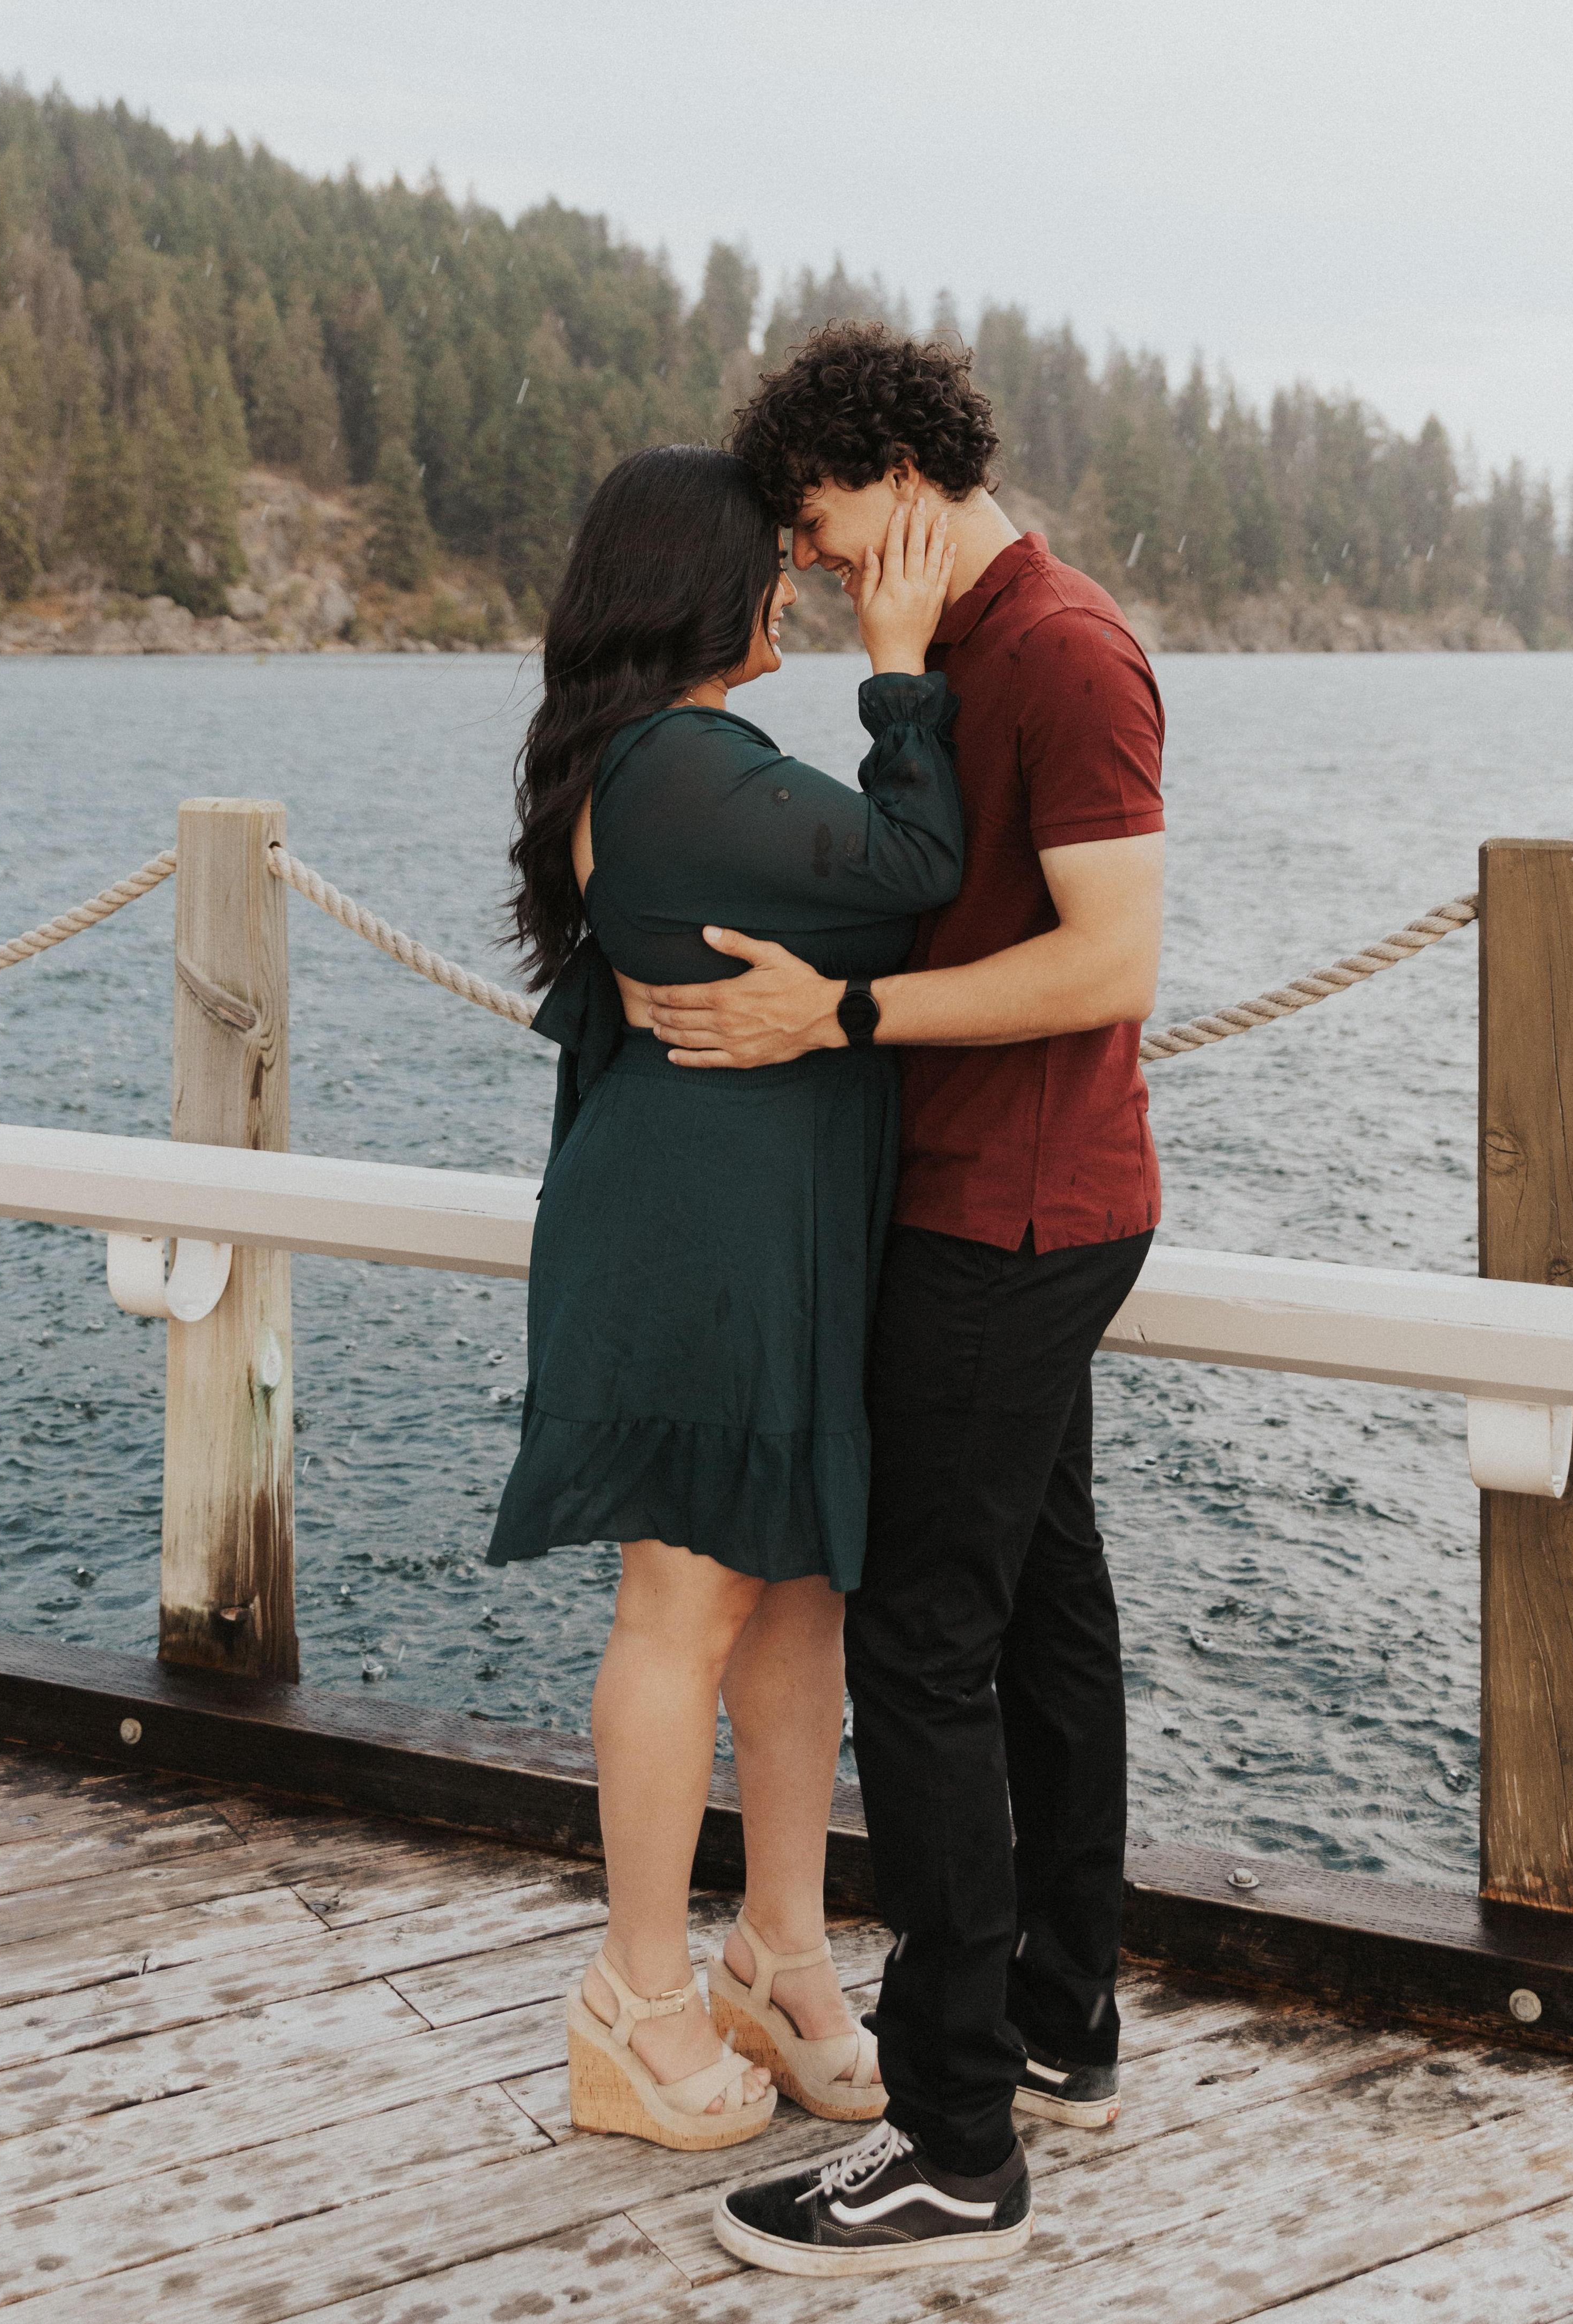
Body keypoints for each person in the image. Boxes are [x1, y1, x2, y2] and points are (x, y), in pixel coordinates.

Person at [644, 327, 1166, 2277]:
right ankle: (1057, 2025)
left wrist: (839, 1010)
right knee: (1037, 1610)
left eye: (817, 520)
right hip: (992, 1200)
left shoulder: (1063, 651)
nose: (806, 560)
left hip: (1010, 1218)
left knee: (927, 1644)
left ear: (903, 469)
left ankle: (953, 2143)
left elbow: (1112, 960)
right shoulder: (952, 642)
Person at [489, 444, 964, 2154]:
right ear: (700, 584)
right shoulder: (683, 761)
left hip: (773, 1225)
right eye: (770, 562)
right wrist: (900, 664)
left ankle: (780, 1946)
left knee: (799, 1596)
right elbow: (916, 861)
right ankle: (634, 1993)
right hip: (697, 1239)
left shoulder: (660, 758)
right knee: (684, 1607)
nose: (794, 582)